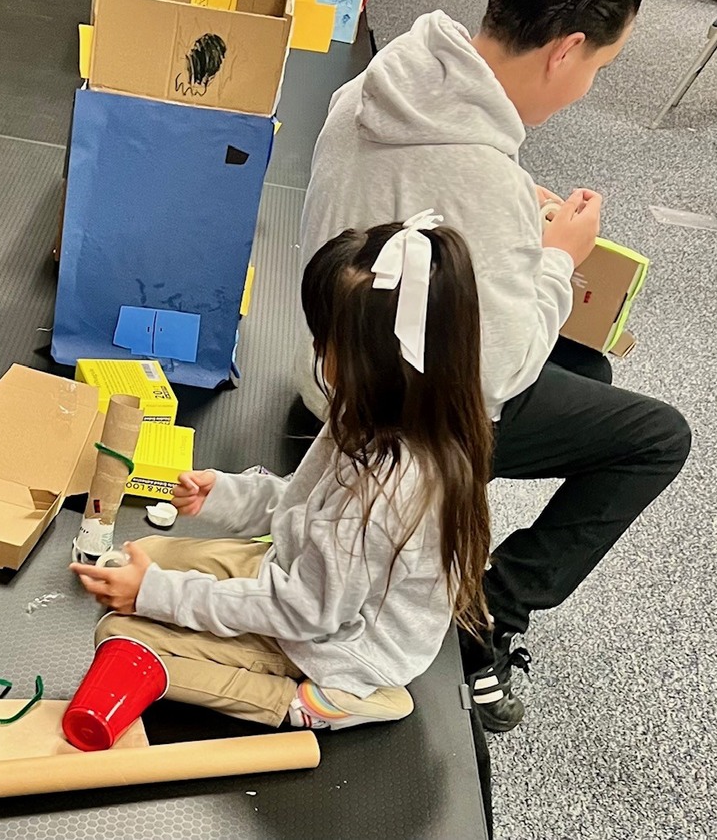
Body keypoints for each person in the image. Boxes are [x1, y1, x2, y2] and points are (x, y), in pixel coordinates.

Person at [297, 0, 692, 733]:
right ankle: (482, 614)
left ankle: (440, 555)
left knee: (592, 377)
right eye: (598, 68)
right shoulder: (482, 174)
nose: (587, 86)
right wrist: (553, 257)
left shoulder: (389, 83)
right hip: (390, 416)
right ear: (566, 49)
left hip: (335, 358)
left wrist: (516, 216)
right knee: (658, 438)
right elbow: (500, 373)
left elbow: (425, 202)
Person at [72, 218, 494, 731]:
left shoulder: (389, 486)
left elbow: (305, 612)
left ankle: (334, 702)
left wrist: (152, 597)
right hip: (307, 586)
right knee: (143, 558)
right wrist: (227, 493)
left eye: (327, 342)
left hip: (338, 647)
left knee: (123, 631)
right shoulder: (374, 413)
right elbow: (303, 502)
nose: (318, 352)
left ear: (377, 362)